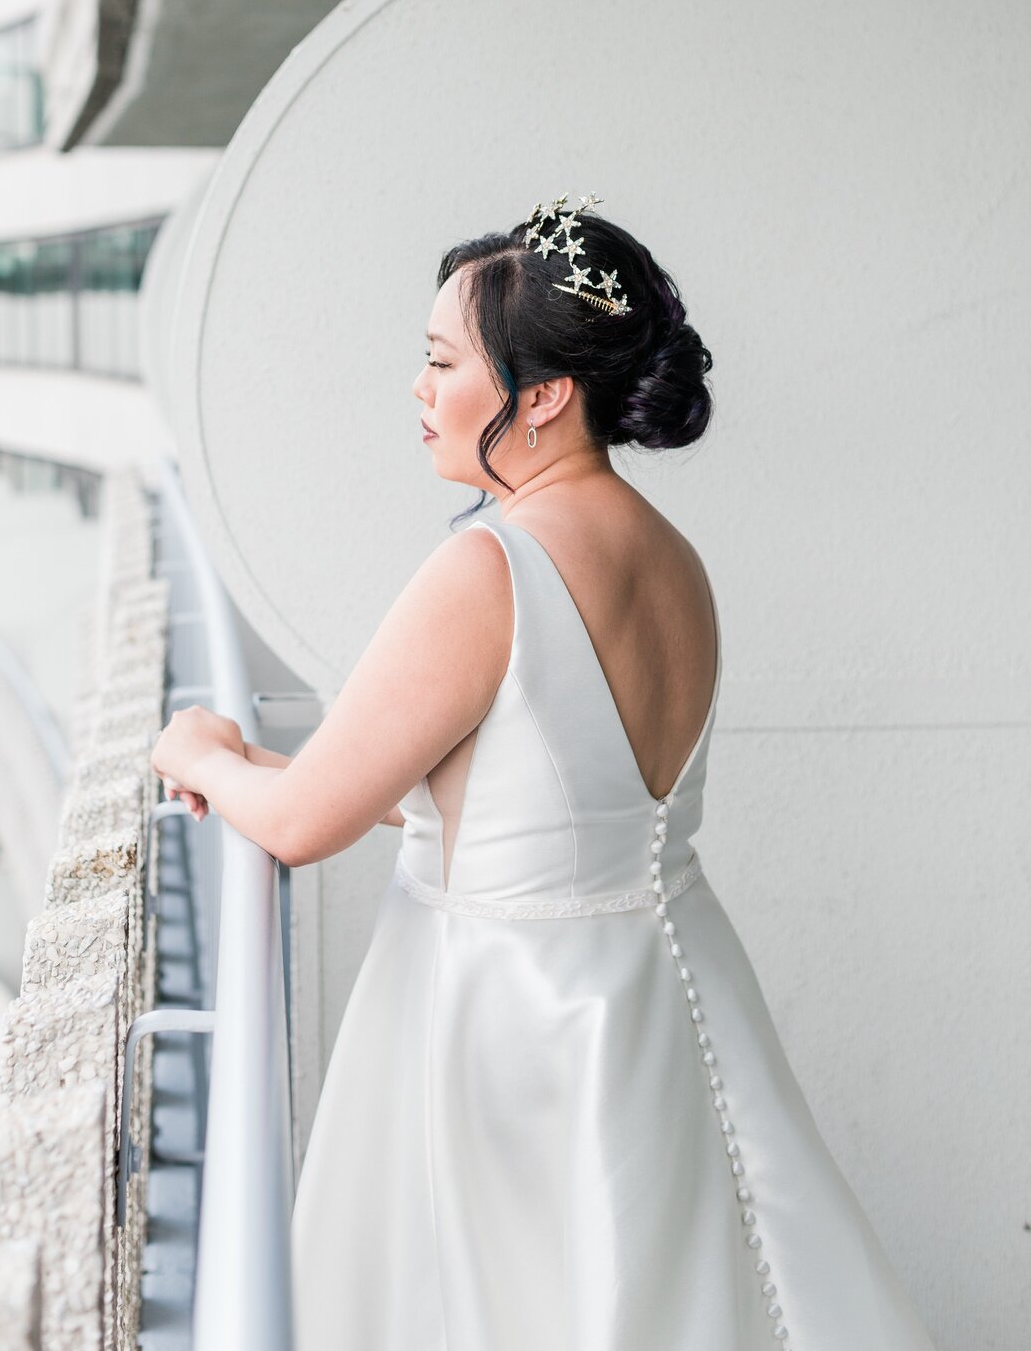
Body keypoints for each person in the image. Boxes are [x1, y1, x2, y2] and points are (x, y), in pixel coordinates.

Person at [151, 192, 938, 1351]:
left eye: (439, 362)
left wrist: (201, 753)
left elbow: (307, 824)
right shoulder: (672, 559)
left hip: (514, 1021)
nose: (418, 392)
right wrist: (278, 767)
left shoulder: (490, 567)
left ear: (545, 395)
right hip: (669, 997)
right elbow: (532, 800)